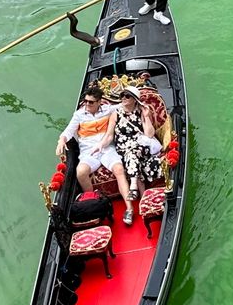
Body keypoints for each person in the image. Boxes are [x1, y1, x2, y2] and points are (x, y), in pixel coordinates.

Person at [105, 87, 164, 222]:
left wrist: (147, 116)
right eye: (122, 96)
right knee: (132, 159)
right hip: (123, 150)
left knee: (133, 155)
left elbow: (149, 134)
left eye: (127, 96)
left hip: (140, 147)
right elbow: (109, 135)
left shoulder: (140, 112)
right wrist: (99, 146)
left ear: (134, 99)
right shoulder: (116, 113)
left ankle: (134, 189)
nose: (123, 98)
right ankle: (143, 202)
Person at [58, 87, 121, 195]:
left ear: (99, 102)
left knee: (119, 169)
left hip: (107, 149)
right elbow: (68, 131)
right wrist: (61, 141)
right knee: (81, 172)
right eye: (85, 101)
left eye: (90, 102)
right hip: (89, 152)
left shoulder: (108, 110)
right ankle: (92, 199)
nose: (86, 104)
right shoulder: (79, 115)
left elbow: (124, 106)